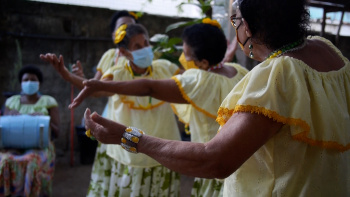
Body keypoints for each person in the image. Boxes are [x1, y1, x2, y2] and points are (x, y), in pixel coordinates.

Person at [79, 0, 350, 196]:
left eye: (237, 20)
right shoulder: (329, 53)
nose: (236, 27)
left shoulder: (277, 74)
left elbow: (215, 160)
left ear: (255, 27)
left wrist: (127, 136)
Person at [70, 22, 248, 196]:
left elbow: (149, 87)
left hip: (212, 164)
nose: (183, 60)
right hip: (240, 157)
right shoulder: (238, 71)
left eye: (186, 55)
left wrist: (102, 85)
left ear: (202, 63)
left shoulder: (197, 81)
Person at [42, 23, 182, 196]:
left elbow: (193, 82)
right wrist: (66, 74)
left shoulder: (165, 67)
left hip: (162, 147)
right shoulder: (118, 73)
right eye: (137, 46)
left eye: (146, 43)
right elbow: (96, 88)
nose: (145, 49)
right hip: (130, 152)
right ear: (123, 53)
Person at [0, 65, 60, 196]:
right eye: (26, 80)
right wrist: (9, 117)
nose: (29, 82)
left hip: (40, 146)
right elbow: (2, 127)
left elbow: (57, 131)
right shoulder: (11, 102)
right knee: (4, 160)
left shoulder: (48, 101)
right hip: (12, 145)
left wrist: (44, 120)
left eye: (33, 80)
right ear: (21, 83)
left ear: (39, 83)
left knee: (32, 161)